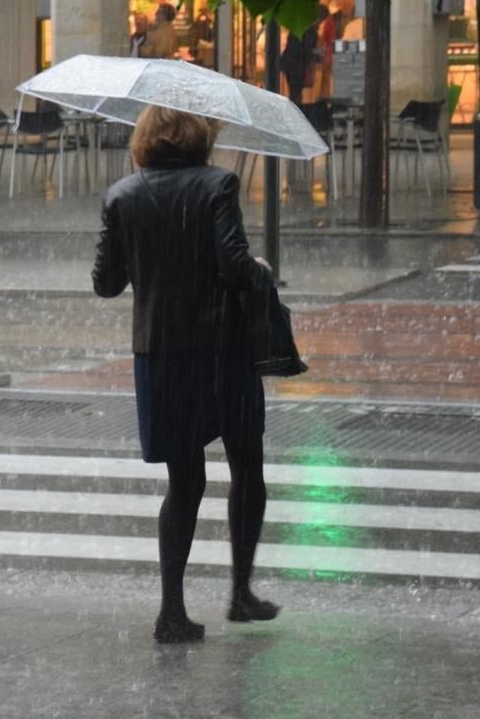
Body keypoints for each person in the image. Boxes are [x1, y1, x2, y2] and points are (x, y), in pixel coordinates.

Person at [92, 106, 279, 644]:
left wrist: (140, 251)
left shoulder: (121, 196)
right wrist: (260, 271)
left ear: (145, 137)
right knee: (246, 465)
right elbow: (233, 265)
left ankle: (171, 609)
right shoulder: (218, 184)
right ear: (200, 136)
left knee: (185, 481)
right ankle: (240, 593)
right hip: (223, 349)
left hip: (163, 355)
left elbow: (106, 284)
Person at [278, 25, 317, 103]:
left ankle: (293, 109)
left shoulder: (297, 28)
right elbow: (307, 50)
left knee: (294, 92)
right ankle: (295, 110)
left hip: (289, 63)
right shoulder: (310, 31)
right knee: (296, 93)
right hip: (297, 66)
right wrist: (315, 57)